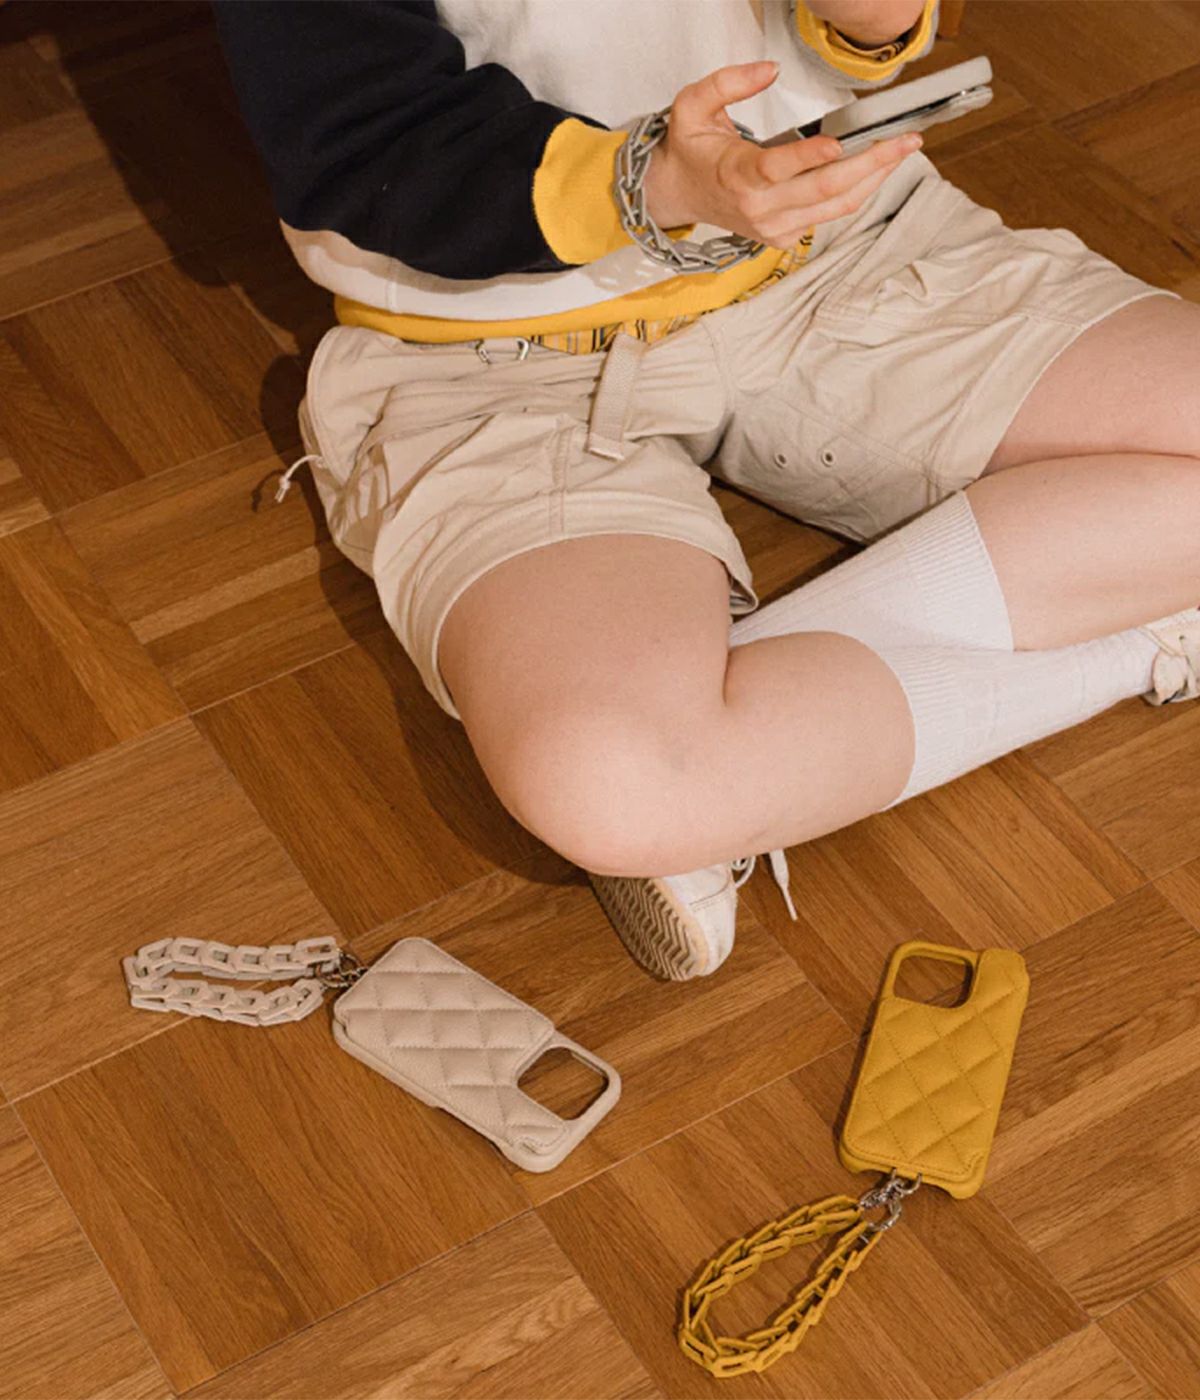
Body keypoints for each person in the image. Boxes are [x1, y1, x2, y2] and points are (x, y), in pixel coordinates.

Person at [214, 0, 1200, 982]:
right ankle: (1133, 624)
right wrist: (657, 181)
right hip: (486, 361)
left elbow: (833, 46)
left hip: (828, 247)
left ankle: (738, 762)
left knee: (658, 770)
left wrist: (870, 24)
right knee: (613, 782)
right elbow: (363, 142)